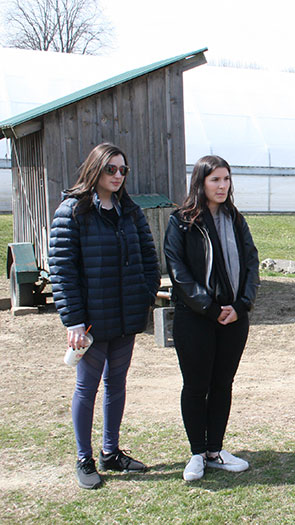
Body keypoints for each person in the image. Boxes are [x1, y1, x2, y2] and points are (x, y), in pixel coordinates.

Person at [49, 142, 160, 489]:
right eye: (110, 169)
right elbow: (62, 270)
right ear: (95, 169)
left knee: (117, 385)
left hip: (126, 316)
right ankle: (85, 459)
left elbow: (148, 256)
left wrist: (144, 293)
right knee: (87, 387)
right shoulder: (72, 211)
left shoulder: (130, 210)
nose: (117, 175)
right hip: (93, 322)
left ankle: (111, 452)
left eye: (122, 170)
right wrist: (74, 320)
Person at [163, 155, 260, 482]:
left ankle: (215, 450)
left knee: (222, 384)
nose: (222, 186)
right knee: (196, 385)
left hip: (234, 318)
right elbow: (179, 272)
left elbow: (251, 263)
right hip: (196, 318)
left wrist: (242, 304)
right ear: (201, 182)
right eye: (215, 180)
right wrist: (209, 307)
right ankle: (196, 453)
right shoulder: (182, 221)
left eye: (226, 179)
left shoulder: (236, 219)